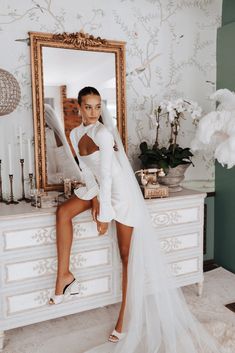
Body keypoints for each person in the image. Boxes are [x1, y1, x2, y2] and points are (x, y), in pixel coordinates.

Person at [49, 87, 221, 353]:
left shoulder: (103, 134)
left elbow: (108, 174)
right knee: (63, 213)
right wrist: (95, 199)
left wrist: (104, 214)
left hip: (121, 194)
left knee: (126, 256)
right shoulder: (74, 133)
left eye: (97, 107)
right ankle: (64, 277)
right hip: (102, 190)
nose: (94, 112)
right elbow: (88, 171)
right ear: (78, 108)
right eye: (88, 107)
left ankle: (124, 320)